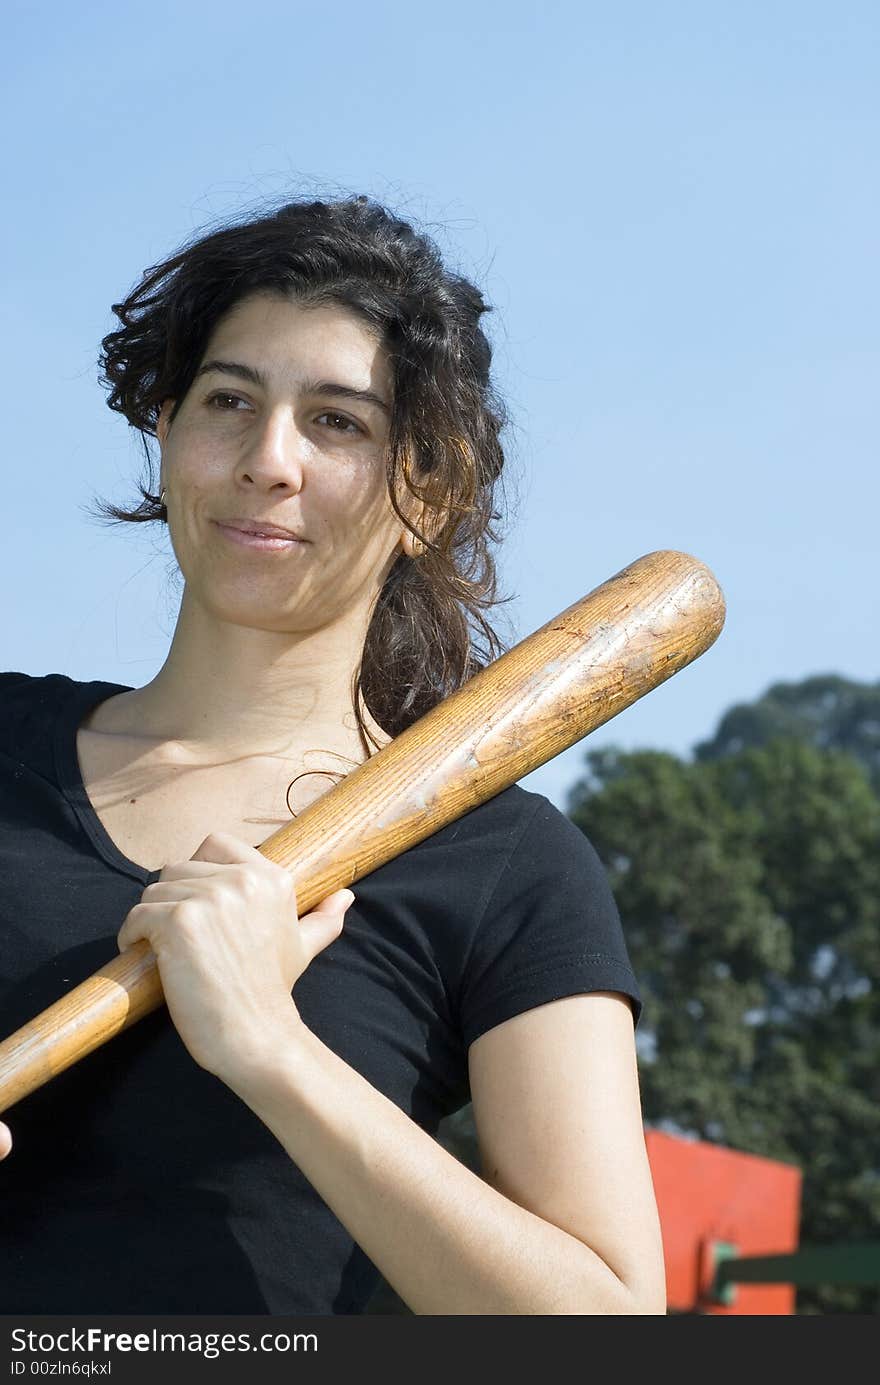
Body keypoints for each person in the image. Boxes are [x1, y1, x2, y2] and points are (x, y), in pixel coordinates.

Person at [0, 195, 666, 1315]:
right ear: (163, 434)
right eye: (228, 400)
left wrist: (271, 1047)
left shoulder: (507, 864)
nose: (269, 460)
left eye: (338, 422)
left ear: (428, 491)